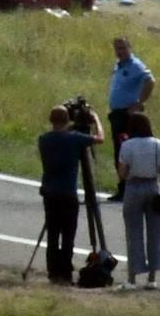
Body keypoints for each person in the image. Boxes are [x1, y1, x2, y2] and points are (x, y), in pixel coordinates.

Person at [37, 104, 105, 285]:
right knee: (68, 235)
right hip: (67, 193)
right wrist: (96, 119)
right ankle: (65, 273)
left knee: (53, 234)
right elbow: (100, 139)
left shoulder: (44, 139)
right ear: (67, 120)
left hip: (50, 193)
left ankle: (53, 272)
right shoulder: (74, 139)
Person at [116, 112, 160, 290]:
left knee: (133, 233)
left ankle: (132, 278)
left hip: (134, 187)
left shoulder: (127, 145)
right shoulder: (158, 144)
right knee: (155, 233)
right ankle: (152, 278)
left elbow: (122, 174)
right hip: (153, 187)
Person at [106, 37, 156, 202]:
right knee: (119, 151)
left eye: (123, 48)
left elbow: (150, 81)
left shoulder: (134, 65)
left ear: (129, 47)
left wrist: (139, 103)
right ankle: (123, 188)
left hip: (127, 115)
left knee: (126, 150)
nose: (120, 51)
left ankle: (130, 188)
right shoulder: (119, 66)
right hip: (117, 113)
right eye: (117, 48)